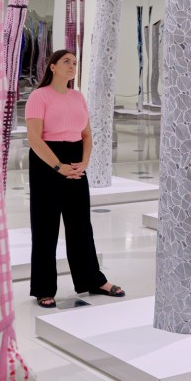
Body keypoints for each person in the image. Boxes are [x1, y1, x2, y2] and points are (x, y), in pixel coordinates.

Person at [26, 49, 124, 308]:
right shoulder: (39, 96)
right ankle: (44, 288)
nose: (72, 66)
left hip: (75, 160)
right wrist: (58, 167)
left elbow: (86, 135)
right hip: (47, 160)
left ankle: (92, 279)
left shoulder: (78, 97)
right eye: (66, 62)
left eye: (75, 62)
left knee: (81, 226)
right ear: (53, 67)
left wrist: (84, 162)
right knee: (46, 228)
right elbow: (34, 138)